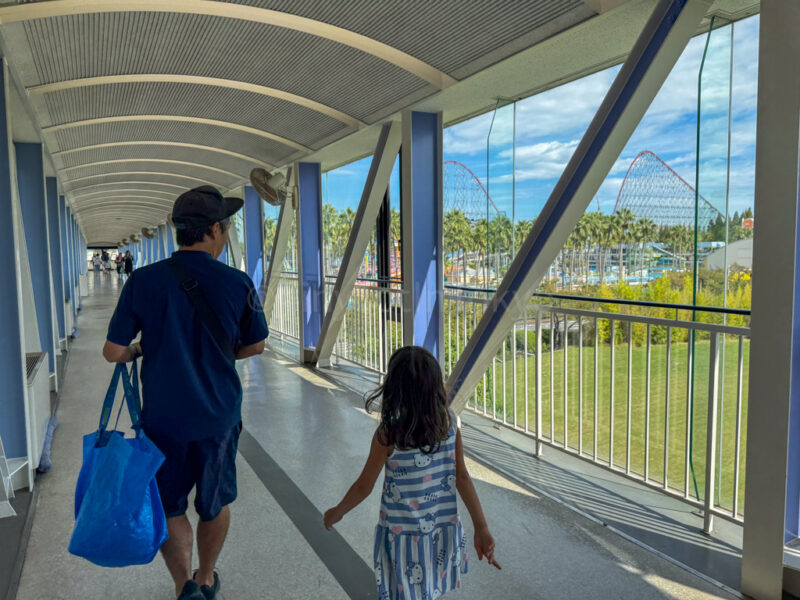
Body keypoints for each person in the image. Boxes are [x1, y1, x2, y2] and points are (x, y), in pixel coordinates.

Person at [102, 185, 269, 600]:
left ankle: (184, 586)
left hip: (163, 419)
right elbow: (256, 344)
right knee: (214, 503)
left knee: (169, 504)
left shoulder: (144, 280)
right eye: (226, 227)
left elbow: (114, 352)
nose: (227, 234)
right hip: (218, 417)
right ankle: (207, 577)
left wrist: (143, 347)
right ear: (213, 230)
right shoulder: (238, 282)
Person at [324, 346, 500, 600]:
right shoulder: (449, 425)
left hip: (401, 539)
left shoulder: (389, 435)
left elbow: (365, 485)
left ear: (395, 390)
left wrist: (337, 511)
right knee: (428, 592)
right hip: (440, 533)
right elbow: (462, 477)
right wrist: (481, 527)